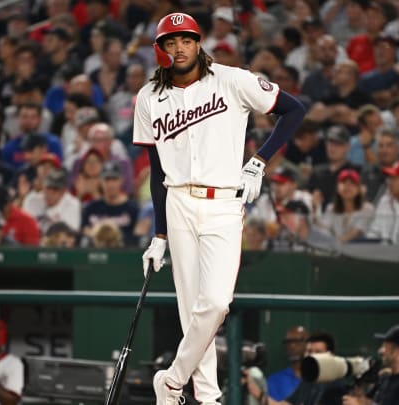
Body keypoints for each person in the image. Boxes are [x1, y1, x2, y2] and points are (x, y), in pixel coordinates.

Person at [131, 12, 306, 405]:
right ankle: (208, 397)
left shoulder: (232, 79)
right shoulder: (148, 97)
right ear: (160, 49)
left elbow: (293, 110)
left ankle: (172, 381)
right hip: (177, 201)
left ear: (199, 43)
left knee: (215, 305)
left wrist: (259, 160)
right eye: (171, 42)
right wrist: (158, 234)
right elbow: (157, 167)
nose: (179, 48)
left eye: (186, 40)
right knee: (192, 310)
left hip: (224, 202)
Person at [342, 325, 399, 405]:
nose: (380, 351)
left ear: (397, 351)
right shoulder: (386, 379)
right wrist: (363, 400)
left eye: (384, 347)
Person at [266, 326, 309, 402]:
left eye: (298, 341)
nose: (292, 346)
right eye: (288, 342)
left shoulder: (320, 378)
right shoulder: (274, 381)